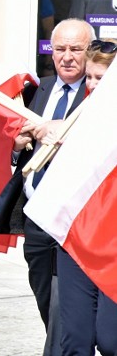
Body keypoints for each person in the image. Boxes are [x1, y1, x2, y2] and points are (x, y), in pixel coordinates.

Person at [0, 18, 93, 355]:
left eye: (76, 49)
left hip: (75, 218)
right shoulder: (35, 91)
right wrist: (18, 144)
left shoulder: (99, 95)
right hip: (36, 220)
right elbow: (12, 147)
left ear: (89, 52)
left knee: (65, 304)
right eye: (59, 49)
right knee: (48, 302)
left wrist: (65, 132)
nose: (67, 57)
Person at [57, 38, 117, 356]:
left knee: (111, 341)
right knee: (75, 342)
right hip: (75, 239)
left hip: (112, 246)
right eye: (90, 77)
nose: (92, 85)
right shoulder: (76, 113)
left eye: (101, 79)